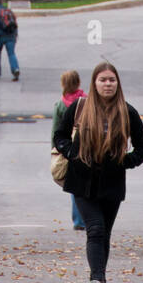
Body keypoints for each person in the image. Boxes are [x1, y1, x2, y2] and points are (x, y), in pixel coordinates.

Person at [53, 60, 143, 283]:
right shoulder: (80, 107)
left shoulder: (127, 112)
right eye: (103, 80)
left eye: (112, 80)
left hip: (111, 184)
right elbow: (60, 135)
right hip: (82, 182)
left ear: (117, 83)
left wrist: (124, 162)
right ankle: (98, 282)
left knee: (104, 233)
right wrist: (72, 153)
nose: (107, 84)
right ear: (94, 83)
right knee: (94, 229)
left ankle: (98, 277)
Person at [51, 70, 86, 231]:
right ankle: (88, 217)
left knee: (74, 184)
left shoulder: (60, 105)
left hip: (68, 149)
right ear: (78, 82)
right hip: (86, 146)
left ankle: (78, 220)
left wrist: (55, 148)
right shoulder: (86, 101)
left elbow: (56, 130)